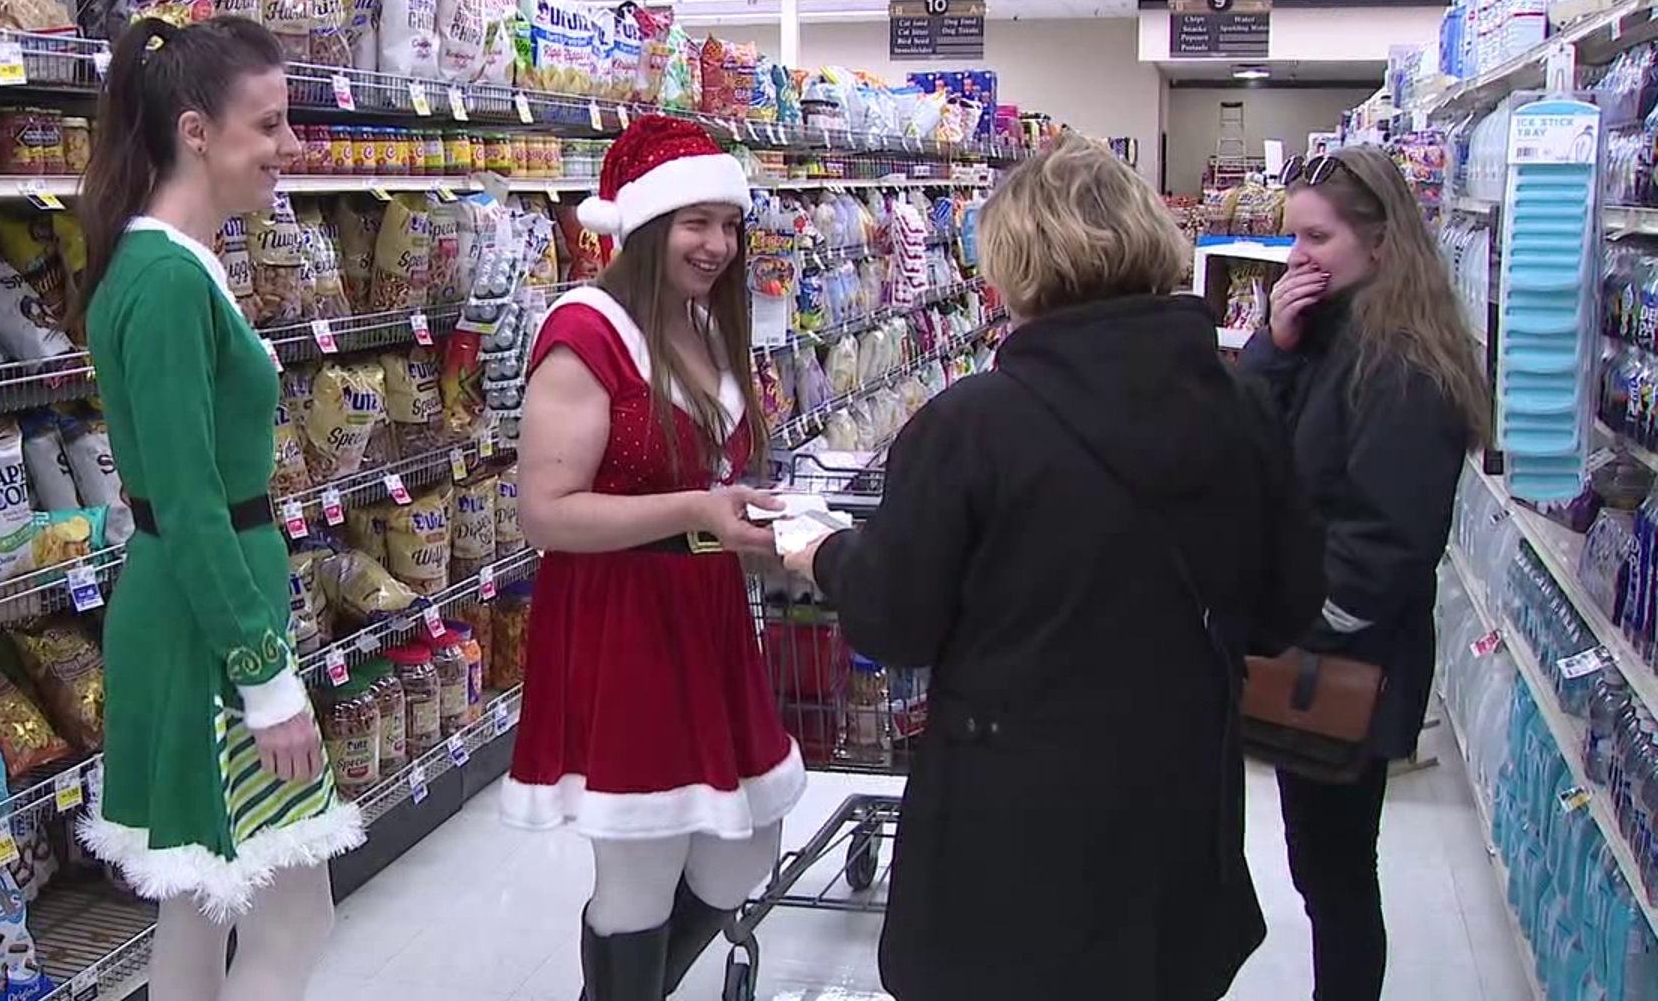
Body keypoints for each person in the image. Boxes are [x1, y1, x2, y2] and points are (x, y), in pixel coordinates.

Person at [783, 136, 1325, 1000]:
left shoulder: (971, 424)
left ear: (1015, 266)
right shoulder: (1242, 405)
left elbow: (896, 620)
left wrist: (822, 551)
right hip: (1176, 809)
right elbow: (1289, 605)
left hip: (1011, 824)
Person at [68, 16, 364, 1001]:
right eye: (270, 125)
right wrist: (265, 678)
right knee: (296, 911)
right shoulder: (162, 280)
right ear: (196, 131)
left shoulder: (168, 265)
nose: (292, 148)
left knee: (195, 903)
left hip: (190, 608)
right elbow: (192, 505)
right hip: (209, 629)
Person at [500, 115, 807, 1000]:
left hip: (703, 616)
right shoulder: (587, 332)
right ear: (643, 224)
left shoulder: (704, 323)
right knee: (639, 872)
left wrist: (746, 529)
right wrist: (699, 509)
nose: (718, 245)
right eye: (695, 223)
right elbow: (546, 515)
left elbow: (702, 495)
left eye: (730, 223)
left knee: (744, 845)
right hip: (623, 624)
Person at [1239, 146, 1488, 1001]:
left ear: (1380, 243)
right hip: (1323, 646)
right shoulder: (1336, 335)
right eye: (1291, 237)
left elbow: (1388, 539)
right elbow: (1253, 444)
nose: (1297, 256)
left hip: (1349, 661)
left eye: (1317, 236)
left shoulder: (1404, 365)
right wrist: (1274, 343)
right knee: (1323, 865)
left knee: (1337, 874)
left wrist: (1310, 634)